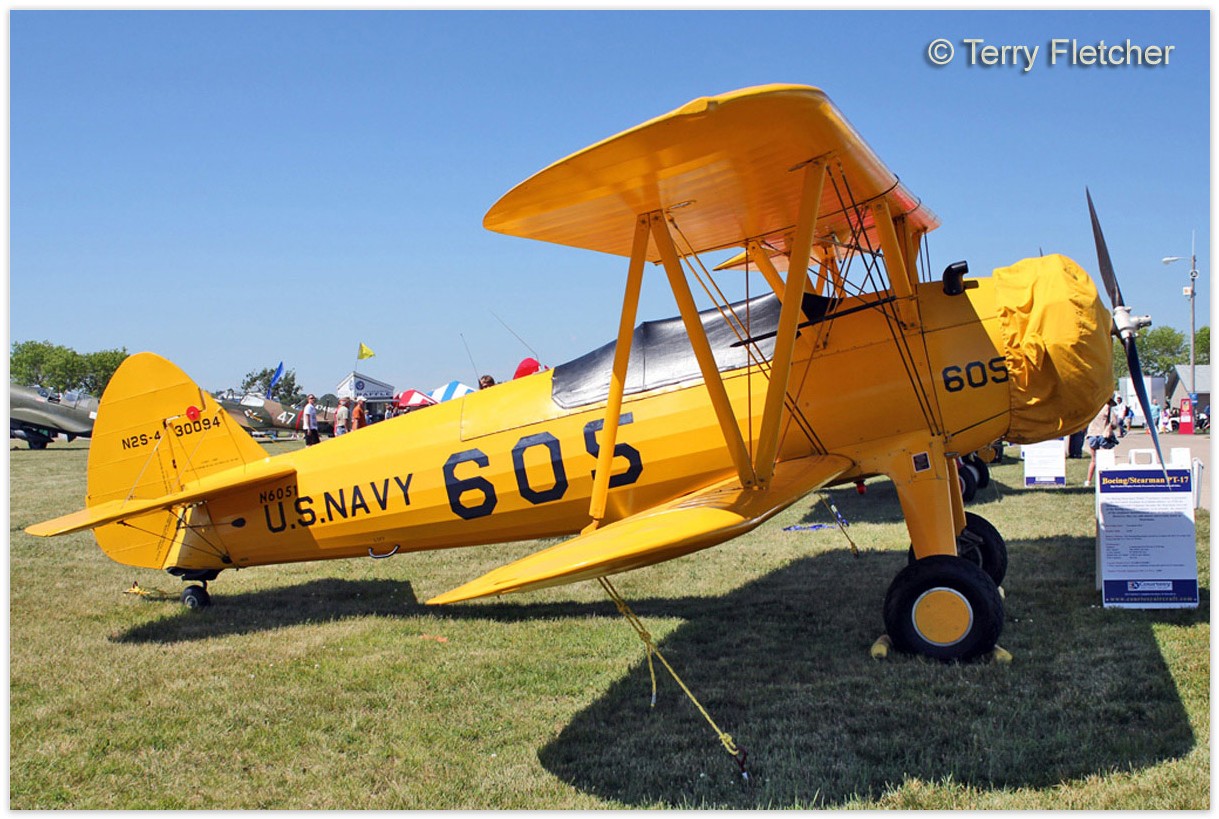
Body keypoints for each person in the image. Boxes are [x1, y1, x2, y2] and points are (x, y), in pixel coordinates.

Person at [1084, 397, 1116, 487]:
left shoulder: (1092, 408)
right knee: (1104, 459)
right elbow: (1114, 424)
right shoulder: (1108, 408)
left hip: (1092, 434)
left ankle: (1088, 481)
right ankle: (1105, 479)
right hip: (1104, 434)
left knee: (1093, 460)